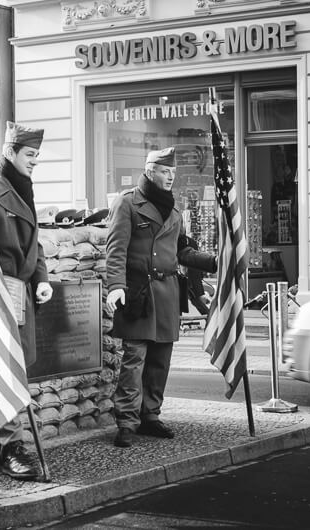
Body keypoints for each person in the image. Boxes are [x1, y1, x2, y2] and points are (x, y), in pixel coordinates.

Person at [105, 147, 216, 448]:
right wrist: (115, 285)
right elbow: (115, 250)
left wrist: (214, 261)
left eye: (173, 173)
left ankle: (150, 416)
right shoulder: (127, 203)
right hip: (139, 292)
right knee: (134, 359)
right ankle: (127, 422)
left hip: (167, 294)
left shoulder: (175, 210)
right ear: (150, 169)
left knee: (160, 361)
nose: (170, 177)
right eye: (165, 171)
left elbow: (182, 251)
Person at [0, 121, 54, 480]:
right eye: (30, 154)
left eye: (37, 155)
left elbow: (34, 243)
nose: (35, 161)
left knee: (13, 369)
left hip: (20, 292)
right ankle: (10, 446)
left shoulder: (23, 189)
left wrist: (41, 278)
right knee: (5, 372)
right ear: (10, 152)